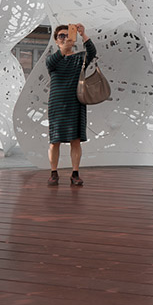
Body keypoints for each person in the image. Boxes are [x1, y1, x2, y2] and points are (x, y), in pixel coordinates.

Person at [45, 22, 96, 187]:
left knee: (75, 140)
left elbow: (92, 52)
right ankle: (54, 173)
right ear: (56, 40)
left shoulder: (80, 58)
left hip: (76, 103)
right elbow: (56, 60)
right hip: (57, 104)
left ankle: (75, 173)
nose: (65, 38)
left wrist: (83, 34)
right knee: (55, 141)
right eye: (61, 36)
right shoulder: (52, 59)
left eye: (68, 35)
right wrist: (65, 48)